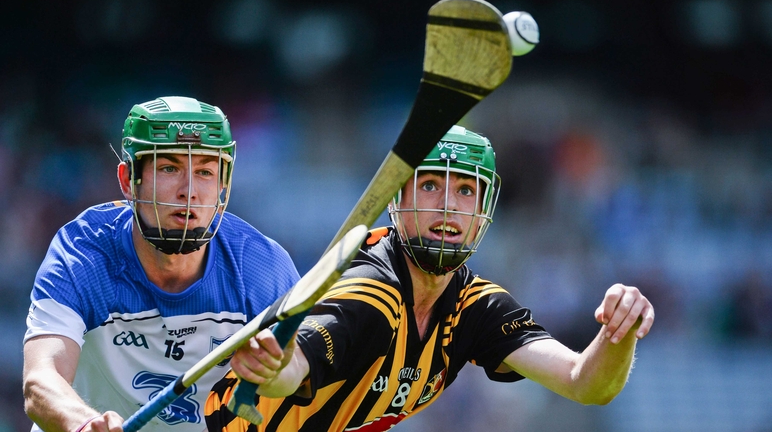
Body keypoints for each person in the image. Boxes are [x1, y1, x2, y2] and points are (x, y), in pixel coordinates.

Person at [204, 126, 655, 432]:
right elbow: (295, 366)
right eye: (430, 185)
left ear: (482, 215)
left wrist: (619, 334)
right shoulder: (368, 293)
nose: (447, 206)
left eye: (464, 190)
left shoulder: (477, 307)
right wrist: (276, 365)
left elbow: (585, 382)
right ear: (399, 200)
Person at [22, 96, 301, 432]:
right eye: (170, 168)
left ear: (223, 183)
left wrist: (275, 372)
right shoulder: (82, 253)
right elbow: (40, 381)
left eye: (205, 172)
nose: (190, 191)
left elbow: (296, 371)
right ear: (128, 181)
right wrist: (86, 424)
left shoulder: (261, 265)